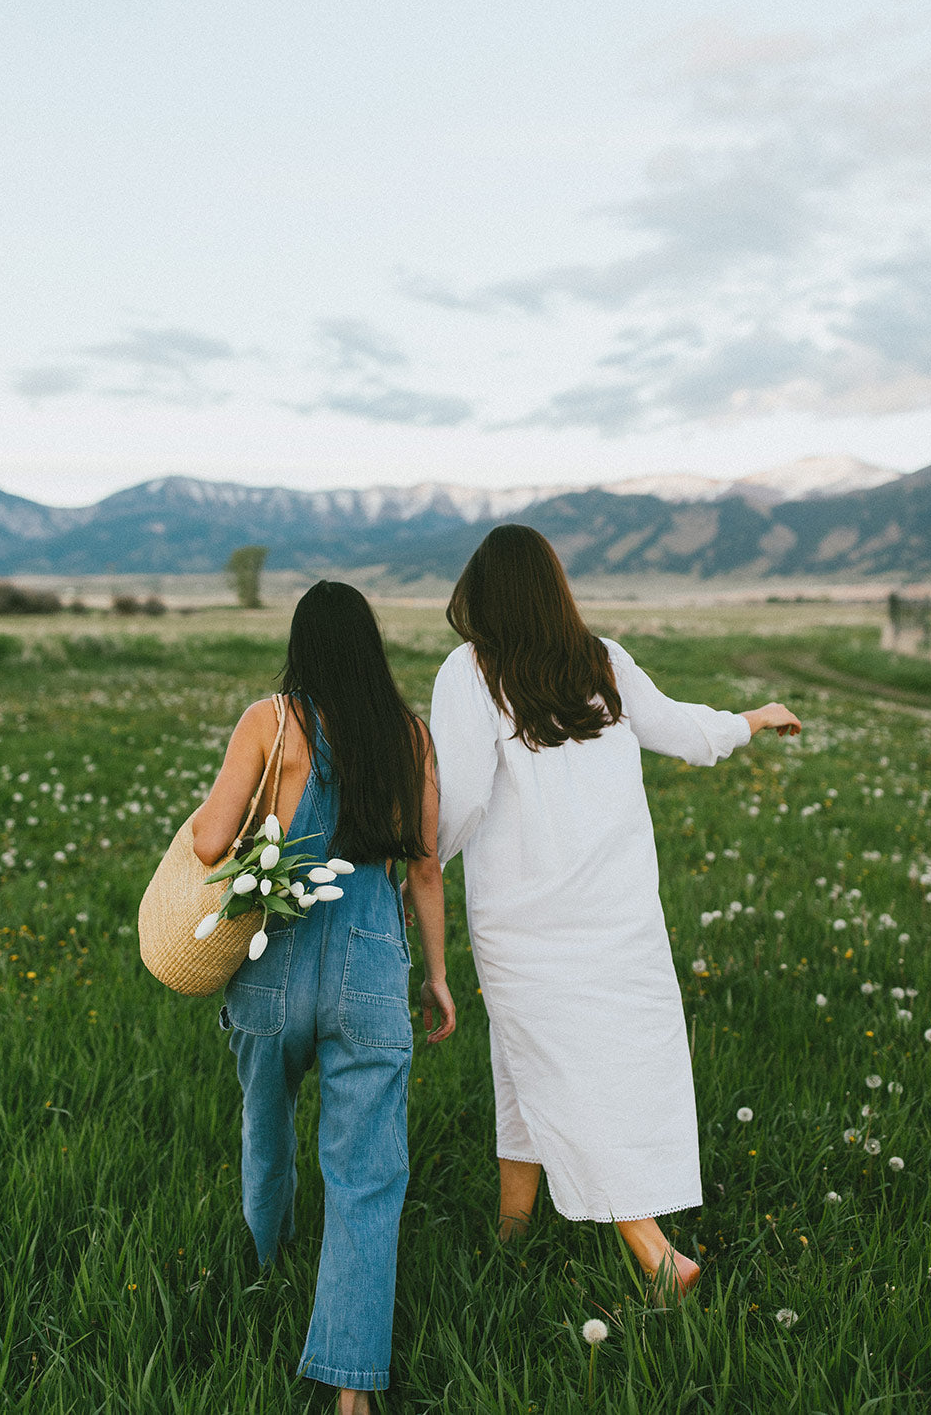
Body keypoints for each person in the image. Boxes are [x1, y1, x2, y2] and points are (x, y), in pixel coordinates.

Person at [429, 526, 799, 1301]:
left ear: (482, 596)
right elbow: (680, 729)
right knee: (526, 1063)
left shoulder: (470, 672)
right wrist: (749, 719)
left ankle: (656, 1253)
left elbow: (458, 801)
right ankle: (512, 1230)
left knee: (557, 1071)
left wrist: (410, 862)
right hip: (617, 911)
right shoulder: (600, 660)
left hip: (525, 921)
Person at [192, 581, 455, 1413]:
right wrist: (438, 975)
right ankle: (352, 1391)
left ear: (301, 644)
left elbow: (207, 839)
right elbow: (422, 866)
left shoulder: (269, 722)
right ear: (371, 646)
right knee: (369, 1173)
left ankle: (268, 1271)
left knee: (265, 1128)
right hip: (373, 964)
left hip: (273, 956)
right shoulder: (408, 733)